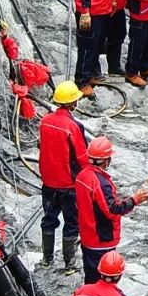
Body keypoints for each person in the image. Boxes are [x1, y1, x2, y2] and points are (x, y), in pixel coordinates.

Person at [74, 137, 148, 284]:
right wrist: (135, 200)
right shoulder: (100, 182)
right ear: (106, 160)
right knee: (101, 281)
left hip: (87, 235)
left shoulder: (82, 176)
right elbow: (112, 210)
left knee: (90, 277)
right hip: (101, 239)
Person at [38, 81, 88, 274]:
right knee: (72, 223)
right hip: (69, 184)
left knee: (49, 219)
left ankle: (47, 260)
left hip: (48, 182)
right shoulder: (73, 126)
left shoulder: (45, 121)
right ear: (73, 102)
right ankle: (69, 265)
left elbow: (41, 146)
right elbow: (82, 156)